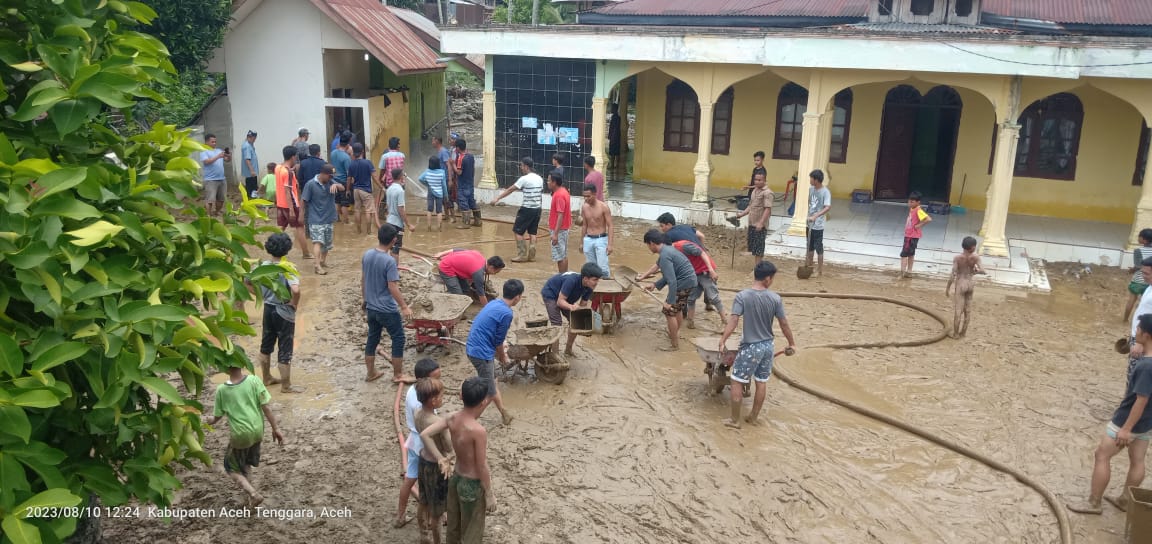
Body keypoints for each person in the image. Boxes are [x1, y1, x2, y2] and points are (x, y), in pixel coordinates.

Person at [1068, 313, 1152, 515]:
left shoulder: (1145, 366)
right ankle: (1125, 500)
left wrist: (1126, 429)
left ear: (1147, 335)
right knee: (1138, 460)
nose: (1136, 331)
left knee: (1102, 455)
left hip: (1127, 421)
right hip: (1146, 423)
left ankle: (1093, 503)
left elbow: (1141, 399)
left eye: (1139, 328)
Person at [718, 260, 797, 429]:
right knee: (761, 381)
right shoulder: (775, 298)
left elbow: (733, 320)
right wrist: (792, 343)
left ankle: (734, 420)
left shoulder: (742, 296)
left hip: (751, 347)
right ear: (767, 279)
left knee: (737, 381)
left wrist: (723, 339)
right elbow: (784, 323)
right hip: (768, 346)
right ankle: (753, 417)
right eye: (773, 278)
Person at [420, 377, 494, 544]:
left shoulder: (452, 418)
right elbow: (482, 465)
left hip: (455, 480)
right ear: (482, 403)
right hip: (472, 486)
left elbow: (425, 434)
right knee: (472, 532)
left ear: (461, 396)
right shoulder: (478, 431)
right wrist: (489, 494)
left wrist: (440, 458)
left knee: (453, 528)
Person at [204, 359, 284, 508]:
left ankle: (253, 494)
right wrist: (276, 428)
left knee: (230, 467)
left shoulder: (222, 389)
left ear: (224, 367)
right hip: (257, 431)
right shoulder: (254, 380)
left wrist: (202, 420)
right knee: (246, 463)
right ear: (243, 363)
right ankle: (250, 498)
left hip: (240, 435)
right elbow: (266, 407)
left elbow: (215, 418)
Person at [244, 232, 305, 392]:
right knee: (285, 349)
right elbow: (296, 290)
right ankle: (286, 386)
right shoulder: (288, 268)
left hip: (268, 309)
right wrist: (294, 304)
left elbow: (246, 282)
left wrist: (261, 295)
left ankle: (267, 378)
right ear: (287, 249)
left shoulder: (262, 266)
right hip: (283, 311)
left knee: (266, 345)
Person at [362, 224, 415, 383]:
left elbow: (363, 280)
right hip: (386, 309)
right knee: (398, 338)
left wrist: (364, 299)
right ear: (393, 240)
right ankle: (398, 375)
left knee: (373, 338)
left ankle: (371, 373)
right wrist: (404, 307)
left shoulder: (367, 255)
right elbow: (392, 286)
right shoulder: (389, 261)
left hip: (371, 306)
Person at [464, 280, 522, 426]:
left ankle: (504, 413)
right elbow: (498, 341)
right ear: (517, 297)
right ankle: (467, 422)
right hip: (481, 353)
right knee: (489, 392)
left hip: (473, 346)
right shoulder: (507, 313)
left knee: (492, 382)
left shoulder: (493, 303)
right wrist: (503, 356)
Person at [397, 359, 442, 530]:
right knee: (428, 485)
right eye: (435, 379)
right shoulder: (422, 404)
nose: (439, 382)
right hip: (424, 445)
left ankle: (400, 516)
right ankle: (432, 520)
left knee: (409, 480)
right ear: (423, 381)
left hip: (414, 441)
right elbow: (429, 431)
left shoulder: (412, 391)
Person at [637, 229, 697, 351]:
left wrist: (669, 301)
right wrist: (654, 284)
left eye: (647, 245)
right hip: (690, 281)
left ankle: (674, 344)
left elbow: (672, 281)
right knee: (678, 310)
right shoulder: (667, 249)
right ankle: (674, 334)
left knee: (669, 312)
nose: (648, 248)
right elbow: (665, 271)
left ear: (652, 243)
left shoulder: (665, 255)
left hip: (683, 283)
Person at [414, 376, 452, 544]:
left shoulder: (417, 413)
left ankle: (423, 534)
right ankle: (437, 541)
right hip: (437, 467)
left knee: (423, 500)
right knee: (436, 512)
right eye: (441, 396)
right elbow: (449, 447)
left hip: (423, 460)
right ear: (433, 400)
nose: (443, 398)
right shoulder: (438, 422)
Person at [491, 157, 544, 263]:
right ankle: (532, 255)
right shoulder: (539, 178)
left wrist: (497, 198)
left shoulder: (524, 179)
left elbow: (511, 189)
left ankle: (522, 255)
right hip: (537, 209)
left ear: (526, 166)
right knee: (532, 232)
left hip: (527, 209)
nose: (521, 168)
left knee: (517, 231)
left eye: (521, 165)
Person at [542, 263, 602, 355]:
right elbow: (559, 302)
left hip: (566, 297)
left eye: (598, 280)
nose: (597, 282)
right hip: (551, 294)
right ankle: (555, 354)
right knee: (557, 323)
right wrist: (571, 307)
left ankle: (568, 350)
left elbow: (583, 304)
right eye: (595, 280)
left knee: (576, 322)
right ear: (585, 279)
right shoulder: (571, 281)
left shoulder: (589, 287)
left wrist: (584, 320)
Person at [300, 164, 342, 275]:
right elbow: (303, 200)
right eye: (329, 176)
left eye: (332, 176)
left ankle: (322, 261)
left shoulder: (331, 181)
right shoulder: (310, 184)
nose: (331, 178)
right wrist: (301, 215)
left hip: (329, 218)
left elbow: (342, 188)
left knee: (327, 243)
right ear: (323, 174)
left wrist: (337, 185)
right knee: (317, 242)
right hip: (315, 219)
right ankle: (317, 265)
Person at [274, 146, 311, 259]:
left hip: (280, 203)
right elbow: (287, 191)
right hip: (290, 204)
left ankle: (273, 248)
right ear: (293, 157)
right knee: (300, 227)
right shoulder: (288, 173)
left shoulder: (278, 168)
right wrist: (291, 210)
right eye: (296, 157)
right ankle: (306, 253)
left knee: (281, 228)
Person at [944, 236, 984, 339]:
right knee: (968, 310)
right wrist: (974, 272)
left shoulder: (957, 258)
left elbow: (952, 275)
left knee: (958, 311)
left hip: (961, 283)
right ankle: (963, 333)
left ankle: (956, 334)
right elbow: (983, 270)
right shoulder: (976, 257)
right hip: (970, 283)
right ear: (973, 247)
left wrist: (948, 288)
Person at [729, 172, 773, 265]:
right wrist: (742, 214)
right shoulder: (754, 190)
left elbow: (767, 209)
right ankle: (757, 265)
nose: (757, 182)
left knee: (759, 247)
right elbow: (751, 205)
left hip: (760, 225)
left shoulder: (767, 193)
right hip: (752, 222)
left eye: (760, 180)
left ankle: (758, 268)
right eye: (756, 180)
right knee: (754, 246)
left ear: (765, 180)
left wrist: (761, 223)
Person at [435, 249, 505, 305]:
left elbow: (457, 250)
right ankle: (449, 302)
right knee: (459, 296)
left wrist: (442, 253)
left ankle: (455, 295)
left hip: (455, 267)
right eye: (497, 271)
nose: (496, 274)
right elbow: (481, 294)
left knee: (465, 289)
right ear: (491, 267)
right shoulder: (478, 273)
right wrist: (488, 309)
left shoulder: (479, 255)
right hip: (446, 268)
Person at [580, 183, 613, 279]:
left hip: (601, 239)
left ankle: (606, 288)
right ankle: (593, 290)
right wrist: (581, 242)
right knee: (590, 268)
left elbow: (610, 225)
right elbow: (584, 225)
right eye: (584, 196)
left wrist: (610, 244)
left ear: (595, 194)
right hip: (588, 239)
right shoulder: (584, 207)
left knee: (603, 268)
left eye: (588, 196)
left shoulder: (604, 207)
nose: (586, 199)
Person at [899, 191, 932, 278]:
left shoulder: (918, 210)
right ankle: (909, 272)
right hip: (911, 235)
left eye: (912, 202)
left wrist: (919, 225)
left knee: (904, 254)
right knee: (911, 254)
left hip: (911, 236)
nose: (909, 203)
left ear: (918, 202)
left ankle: (902, 272)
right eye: (909, 201)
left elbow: (928, 219)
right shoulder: (913, 209)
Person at [348, 142, 378, 234]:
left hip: (356, 190)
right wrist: (381, 187)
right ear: (362, 151)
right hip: (366, 191)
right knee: (368, 211)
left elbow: (349, 178)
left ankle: (359, 231)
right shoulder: (368, 163)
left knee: (357, 210)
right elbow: (374, 177)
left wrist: (348, 189)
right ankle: (368, 232)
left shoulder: (352, 164)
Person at [806, 169, 831, 277]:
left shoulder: (825, 192)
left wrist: (816, 216)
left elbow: (827, 207)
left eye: (811, 178)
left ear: (816, 180)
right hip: (809, 223)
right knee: (809, 245)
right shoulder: (811, 189)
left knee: (818, 247)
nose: (810, 180)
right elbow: (810, 202)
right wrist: (809, 215)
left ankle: (819, 270)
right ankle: (809, 266)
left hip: (818, 225)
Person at [198, 133, 230, 216]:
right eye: (212, 142)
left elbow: (227, 160)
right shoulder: (204, 151)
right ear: (207, 142)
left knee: (221, 199)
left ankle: (216, 212)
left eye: (215, 141)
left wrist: (229, 155)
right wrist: (218, 156)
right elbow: (206, 161)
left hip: (221, 179)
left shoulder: (219, 150)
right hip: (210, 180)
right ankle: (208, 215)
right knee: (210, 199)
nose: (215, 143)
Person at [547, 172, 572, 273]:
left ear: (554, 182)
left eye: (549, 180)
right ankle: (564, 276)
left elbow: (560, 215)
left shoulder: (559, 195)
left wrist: (555, 234)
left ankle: (562, 277)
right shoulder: (563, 191)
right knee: (563, 254)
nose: (547, 182)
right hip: (562, 229)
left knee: (560, 257)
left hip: (559, 230)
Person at [1126, 229, 1152, 323]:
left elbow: (1138, 266)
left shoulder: (1138, 251)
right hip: (1149, 282)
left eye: (1139, 236)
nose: (1138, 238)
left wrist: (1131, 270)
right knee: (1144, 302)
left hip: (1138, 280)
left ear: (1144, 240)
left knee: (1131, 300)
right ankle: (1140, 321)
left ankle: (1125, 319)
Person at [455, 138, 479, 228]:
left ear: (458, 148)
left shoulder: (461, 158)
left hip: (462, 184)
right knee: (471, 201)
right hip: (470, 182)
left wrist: (453, 164)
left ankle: (466, 223)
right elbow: (473, 169)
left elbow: (459, 172)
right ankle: (478, 221)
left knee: (463, 202)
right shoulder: (470, 156)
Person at [385, 167, 411, 255]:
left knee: (391, 247)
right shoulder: (400, 191)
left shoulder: (389, 189)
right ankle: (394, 268)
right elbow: (401, 209)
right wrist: (408, 224)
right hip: (397, 224)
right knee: (396, 248)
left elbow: (388, 206)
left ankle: (389, 267)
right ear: (401, 177)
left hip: (389, 221)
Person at [419, 156, 447, 231]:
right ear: (438, 163)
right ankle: (439, 228)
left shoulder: (427, 171)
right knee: (439, 211)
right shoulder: (442, 172)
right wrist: (446, 195)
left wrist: (427, 184)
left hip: (431, 192)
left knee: (429, 209)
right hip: (440, 193)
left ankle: (429, 227)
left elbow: (420, 178)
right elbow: (444, 185)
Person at [331, 134, 353, 225]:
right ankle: (347, 222)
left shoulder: (333, 153)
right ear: (347, 145)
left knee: (337, 201)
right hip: (343, 181)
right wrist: (348, 188)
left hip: (334, 180)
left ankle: (337, 219)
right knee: (344, 203)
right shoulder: (346, 158)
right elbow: (349, 175)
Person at [434, 136, 457, 223]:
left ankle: (453, 217)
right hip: (442, 178)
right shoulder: (440, 151)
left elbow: (449, 165)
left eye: (433, 140)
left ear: (437, 141)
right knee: (443, 198)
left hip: (446, 178)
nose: (432, 142)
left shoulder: (443, 152)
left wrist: (450, 179)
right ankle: (447, 215)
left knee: (448, 197)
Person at [241, 130, 260, 199]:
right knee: (251, 186)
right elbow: (247, 159)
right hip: (250, 172)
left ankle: (252, 198)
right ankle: (251, 199)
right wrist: (252, 170)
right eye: (253, 138)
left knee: (253, 185)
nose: (254, 140)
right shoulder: (247, 146)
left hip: (251, 171)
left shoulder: (248, 144)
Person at [607, 103, 621, 171]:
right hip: (617, 136)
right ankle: (617, 165)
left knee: (613, 151)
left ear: (615, 109)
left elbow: (614, 128)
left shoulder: (615, 117)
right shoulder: (617, 117)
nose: (611, 109)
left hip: (614, 136)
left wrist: (612, 137)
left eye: (612, 108)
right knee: (617, 151)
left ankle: (612, 165)